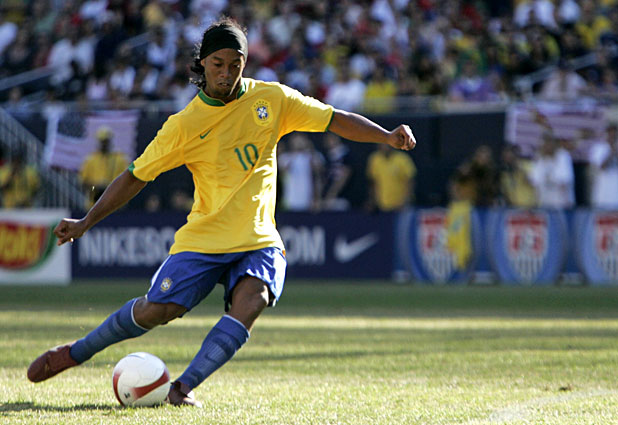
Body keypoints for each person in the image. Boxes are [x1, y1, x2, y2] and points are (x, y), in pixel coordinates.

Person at [27, 18, 416, 407]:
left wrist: (385, 136)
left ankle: (182, 388)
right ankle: (76, 352)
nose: (226, 73)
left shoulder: (272, 99)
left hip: (258, 239)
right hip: (205, 238)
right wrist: (86, 221)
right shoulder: (184, 125)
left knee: (255, 297)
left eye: (235, 64)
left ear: (245, 62)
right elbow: (135, 177)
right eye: (218, 64)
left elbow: (333, 119)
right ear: (203, 63)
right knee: (157, 310)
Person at [79, 126, 129, 209]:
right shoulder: (90, 160)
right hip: (94, 204)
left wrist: (110, 188)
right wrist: (95, 188)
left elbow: (126, 182)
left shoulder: (119, 159)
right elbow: (84, 183)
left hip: (116, 204)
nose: (104, 144)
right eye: (102, 141)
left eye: (106, 141)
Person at [366, 142, 416, 212]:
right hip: (382, 206)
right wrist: (372, 201)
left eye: (386, 145)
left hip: (401, 206)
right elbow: (373, 182)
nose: (384, 147)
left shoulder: (402, 159)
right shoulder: (375, 159)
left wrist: (406, 201)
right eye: (382, 144)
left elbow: (410, 181)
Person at [589, 124, 618, 209]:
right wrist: (612, 152)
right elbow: (601, 167)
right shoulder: (598, 148)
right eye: (611, 134)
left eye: (615, 135)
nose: (612, 137)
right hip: (603, 194)